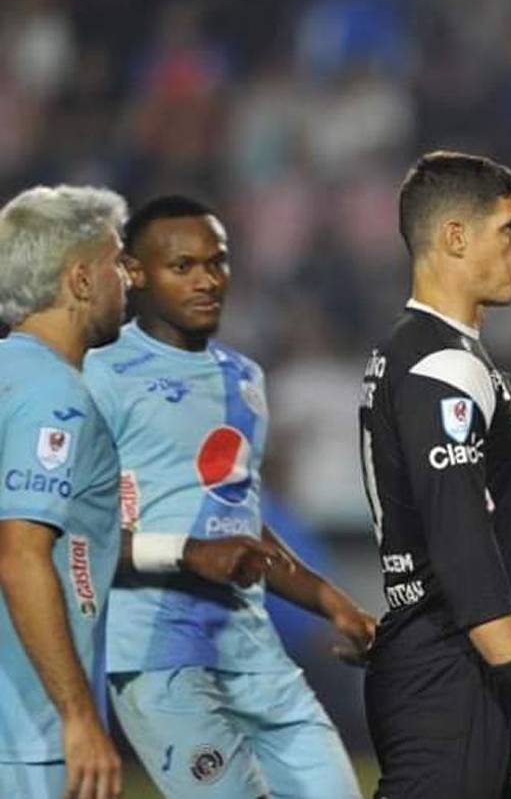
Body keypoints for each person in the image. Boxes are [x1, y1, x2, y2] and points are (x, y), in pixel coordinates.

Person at [82, 194, 372, 799]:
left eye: (217, 262)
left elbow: (239, 522)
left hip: (251, 646)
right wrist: (187, 554)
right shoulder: (99, 375)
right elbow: (73, 536)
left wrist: (332, 602)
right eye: (182, 266)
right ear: (134, 273)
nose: (206, 280)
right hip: (155, 657)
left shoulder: (244, 378)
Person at [358, 151, 511, 799]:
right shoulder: (442, 366)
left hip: (448, 664)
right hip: (451, 668)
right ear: (455, 237)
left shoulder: (429, 353)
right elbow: (464, 552)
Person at [0, 185, 128, 799]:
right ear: (80, 280)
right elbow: (21, 552)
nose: (128, 277)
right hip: (29, 741)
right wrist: (78, 717)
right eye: (116, 261)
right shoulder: (56, 397)